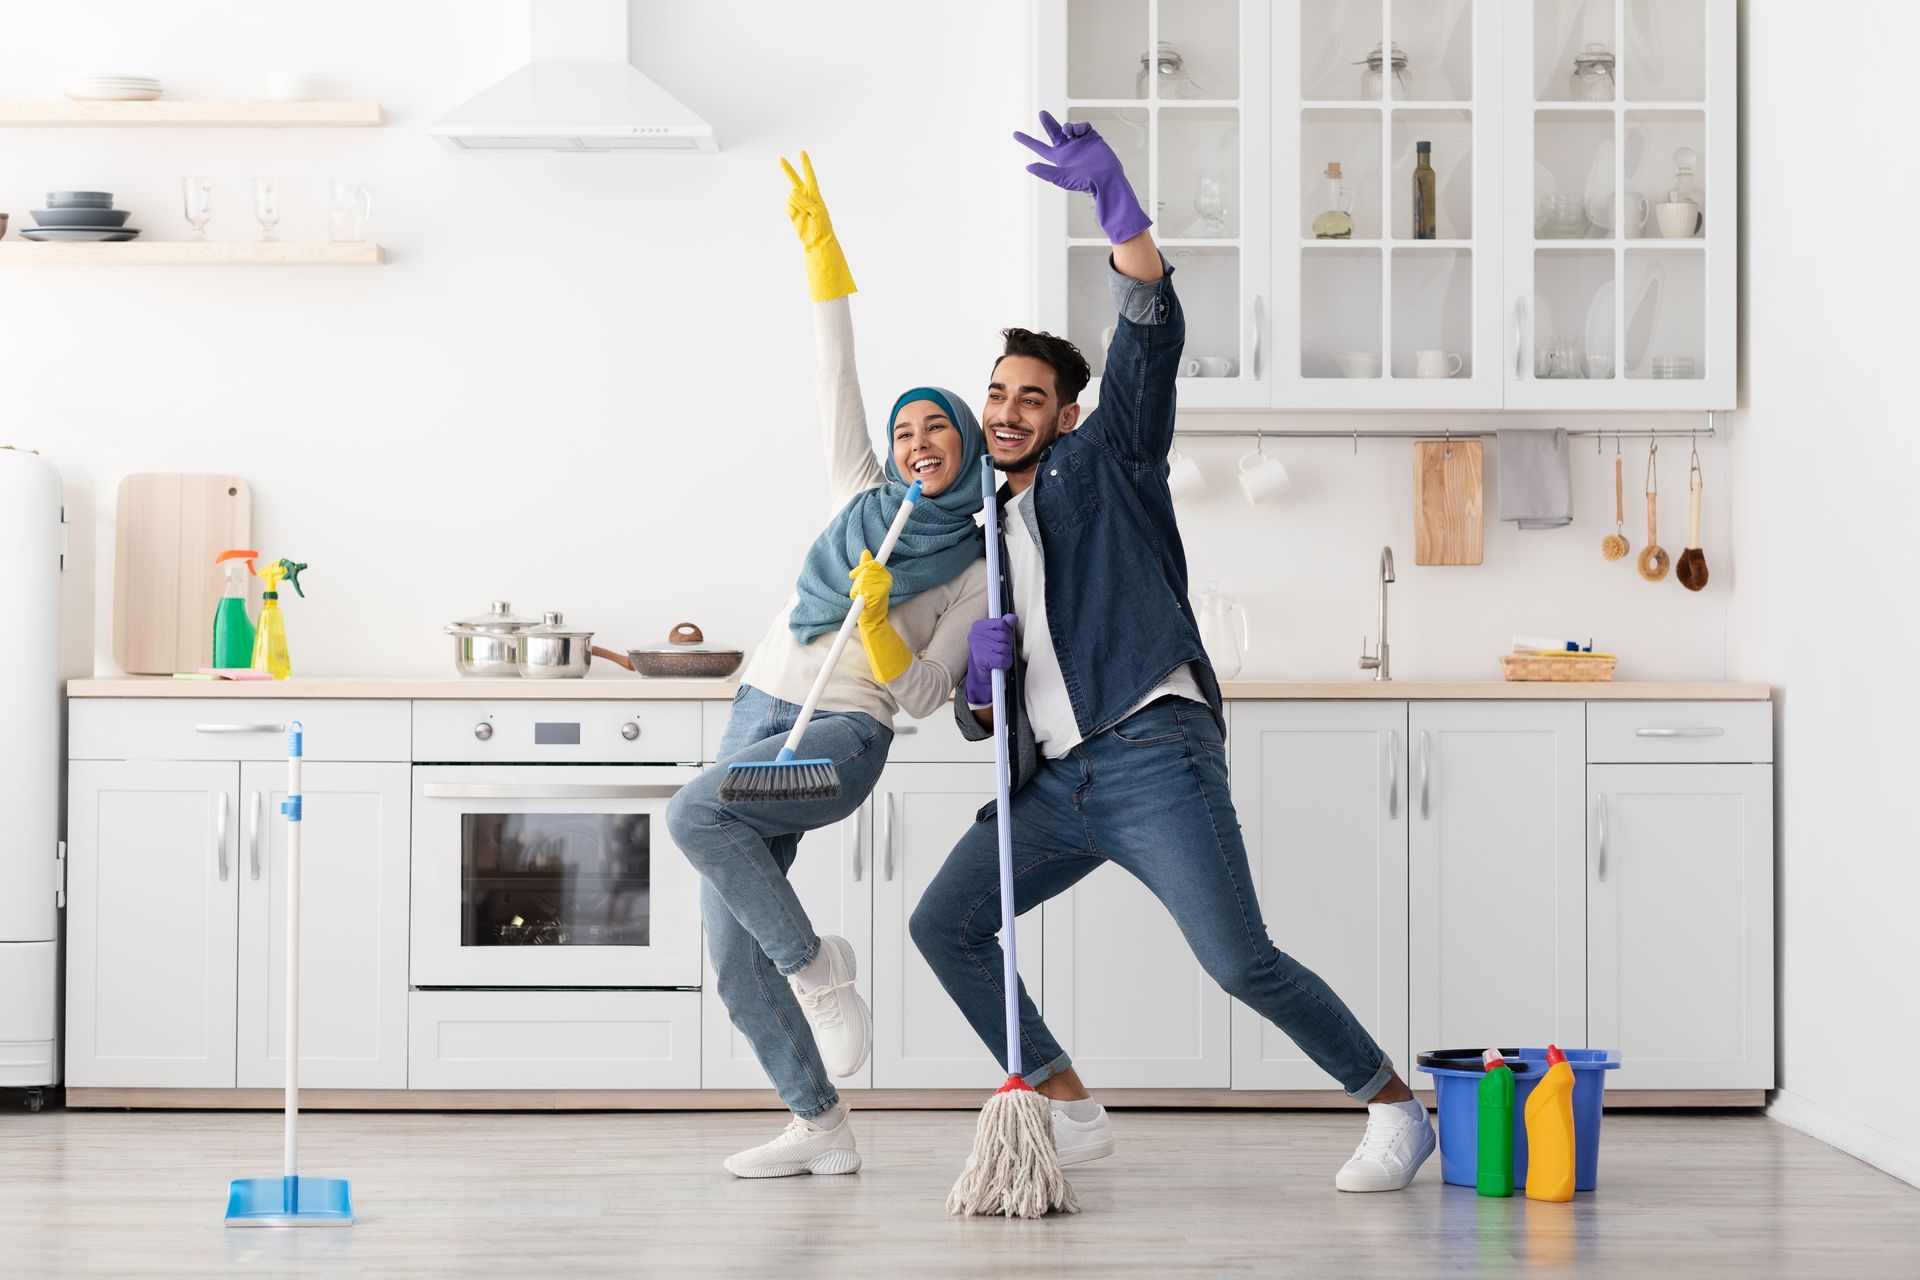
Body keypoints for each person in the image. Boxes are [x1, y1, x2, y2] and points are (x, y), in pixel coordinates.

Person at [909, 112, 1436, 1191]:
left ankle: (1394, 1105)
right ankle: (1064, 1096)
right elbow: (979, 709)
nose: (1007, 411)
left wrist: (1122, 211)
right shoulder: (979, 540)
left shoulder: (1109, 462)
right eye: (997, 393)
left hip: (1153, 751)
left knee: (1238, 957)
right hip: (1052, 781)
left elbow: (1148, 331)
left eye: (1031, 398)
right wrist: (975, 684)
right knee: (945, 924)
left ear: (1067, 417)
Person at [665, 152, 988, 1180]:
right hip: (762, 707)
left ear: (968, 444)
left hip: (844, 738)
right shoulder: (861, 491)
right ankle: (822, 1125)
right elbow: (833, 371)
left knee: (692, 813)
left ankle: (819, 965)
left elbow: (928, 693)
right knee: (726, 955)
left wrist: (885, 622)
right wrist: (821, 252)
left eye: (938, 424)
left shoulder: (976, 561)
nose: (916, 437)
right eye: (905, 429)